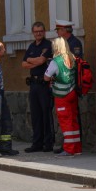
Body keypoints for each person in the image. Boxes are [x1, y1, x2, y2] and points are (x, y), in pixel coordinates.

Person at [44, 37, 82, 157]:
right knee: (73, 120)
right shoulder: (72, 58)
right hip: (72, 92)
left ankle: (69, 149)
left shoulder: (56, 61)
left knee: (65, 122)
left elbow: (46, 77)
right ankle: (77, 148)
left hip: (62, 94)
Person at [22, 22, 54, 152]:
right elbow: (23, 64)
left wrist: (31, 60)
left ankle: (48, 144)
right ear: (33, 32)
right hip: (33, 84)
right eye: (36, 31)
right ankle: (37, 144)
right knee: (35, 115)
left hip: (44, 84)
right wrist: (35, 61)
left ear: (44, 31)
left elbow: (42, 61)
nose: (38, 33)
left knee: (46, 114)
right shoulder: (31, 46)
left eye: (40, 31)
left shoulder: (48, 45)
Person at [54, 19, 83, 154]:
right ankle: (72, 146)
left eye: (59, 30)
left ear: (65, 30)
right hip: (67, 86)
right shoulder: (64, 43)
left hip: (70, 87)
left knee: (69, 118)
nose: (58, 33)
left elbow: (76, 64)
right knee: (70, 118)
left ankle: (72, 147)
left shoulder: (74, 43)